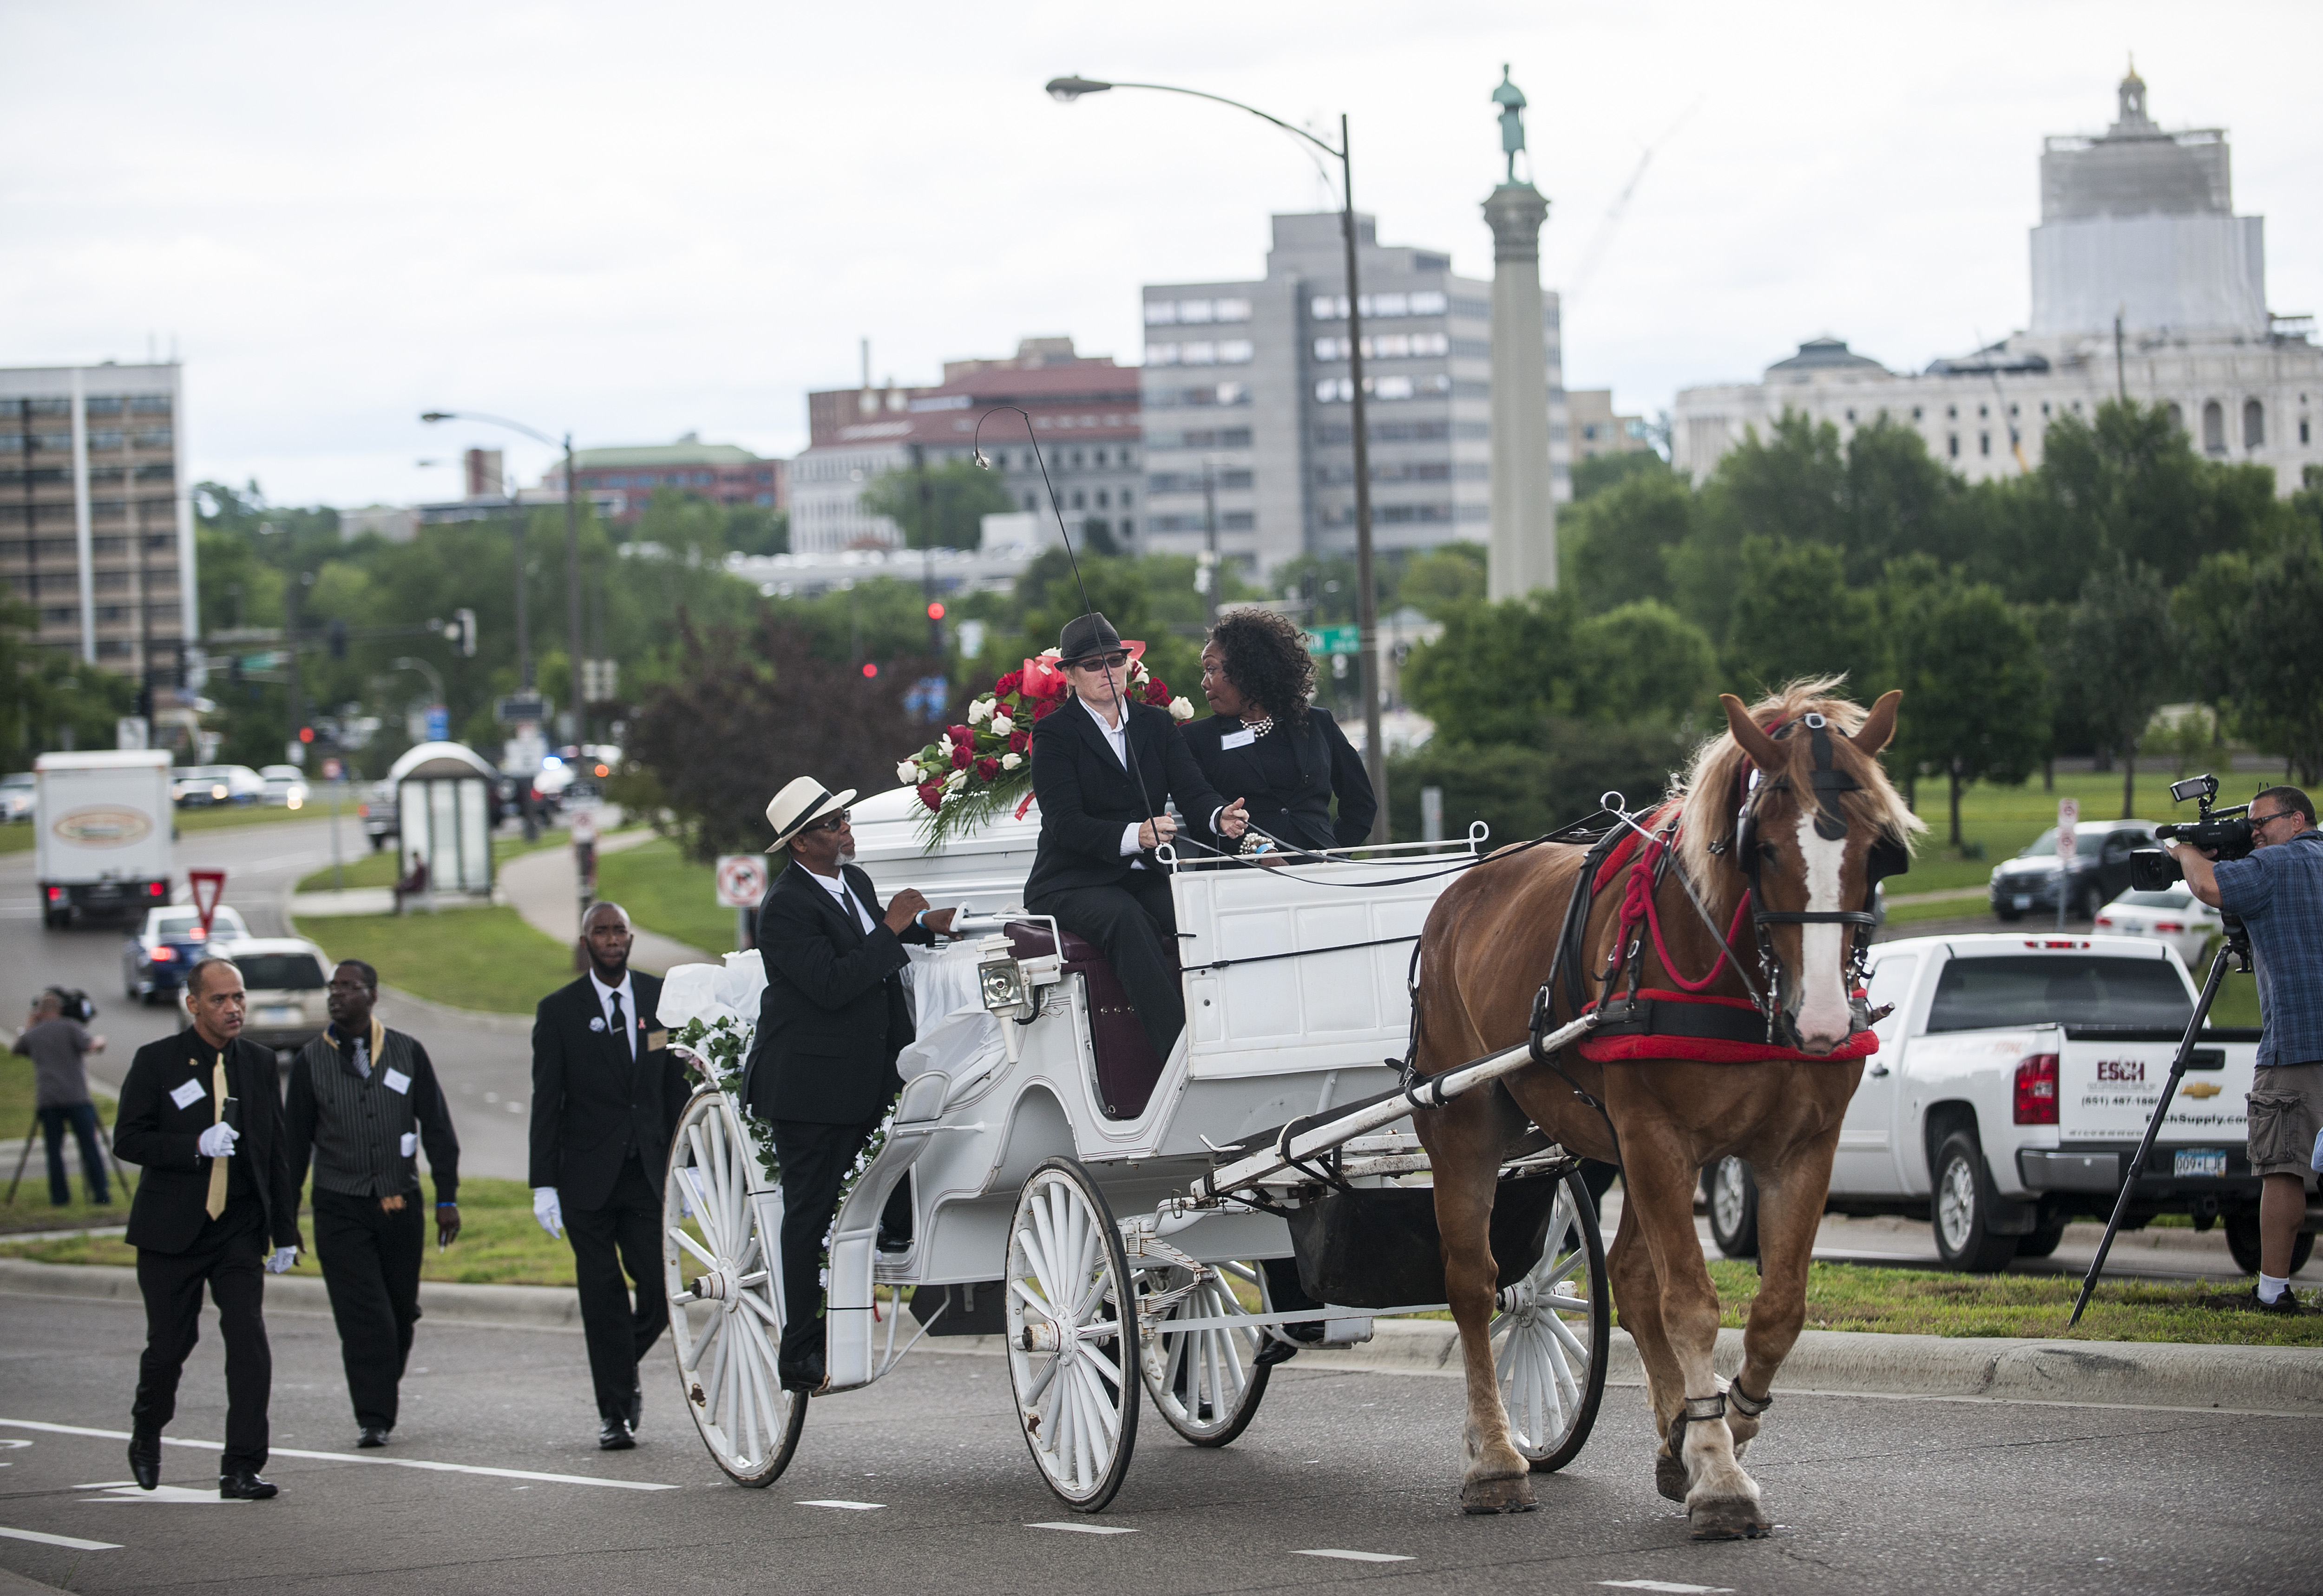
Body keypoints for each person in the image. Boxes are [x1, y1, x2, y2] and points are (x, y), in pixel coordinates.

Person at [743, 777, 957, 1393]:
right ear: (802, 843)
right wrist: (891, 930)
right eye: (834, 825)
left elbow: (877, 943)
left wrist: (928, 927)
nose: (846, 830)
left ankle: (895, 1233)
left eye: (843, 819)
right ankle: (799, 1350)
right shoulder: (783, 907)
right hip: (808, 1083)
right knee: (808, 1213)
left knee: (906, 1150)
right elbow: (834, 983)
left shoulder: (854, 883)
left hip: (872, 1070)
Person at [111, 955, 301, 1500]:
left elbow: (276, 1154)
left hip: (238, 1227)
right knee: (170, 1346)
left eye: (238, 996)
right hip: (172, 1232)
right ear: (192, 1004)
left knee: (249, 1344)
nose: (233, 1007)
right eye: (220, 999)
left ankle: (241, 1466)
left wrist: (285, 1231)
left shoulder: (260, 1063)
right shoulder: (157, 1062)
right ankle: (147, 1430)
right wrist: (193, 1145)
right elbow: (128, 1139)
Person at [1022, 613, 1249, 1066]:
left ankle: (1239, 1033)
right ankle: (1183, 1059)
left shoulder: (1155, 725)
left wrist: (1217, 814)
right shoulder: (1053, 735)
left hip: (1142, 875)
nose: (1108, 672)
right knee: (1127, 921)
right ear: (1067, 674)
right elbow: (1064, 823)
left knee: (1199, 912)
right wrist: (1135, 835)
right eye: (1093, 665)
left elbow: (1191, 789)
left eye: (1115, 661)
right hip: (1072, 881)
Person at [528, 902, 691, 1449]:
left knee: (657, 1292)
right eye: (601, 931)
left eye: (618, 929)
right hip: (585, 1180)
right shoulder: (559, 1011)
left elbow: (674, 1090)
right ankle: (615, 1413)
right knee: (601, 1297)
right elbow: (545, 1102)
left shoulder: (657, 998)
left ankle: (620, 1368)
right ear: (586, 941)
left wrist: (684, 1168)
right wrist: (542, 1183)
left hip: (645, 1174)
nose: (611, 939)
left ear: (630, 936)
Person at [284, 959, 462, 1448]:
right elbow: (294, 1146)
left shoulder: (407, 1052)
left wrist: (447, 1196)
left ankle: (379, 1391)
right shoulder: (309, 1061)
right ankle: (373, 1416)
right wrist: (285, 1215)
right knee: (365, 1316)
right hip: (339, 1204)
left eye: (349, 987)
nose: (337, 994)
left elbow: (439, 1129)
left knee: (399, 1314)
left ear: (372, 995)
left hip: (400, 1203)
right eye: (333, 987)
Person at [2172, 785, 2323, 1314]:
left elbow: (2209, 887)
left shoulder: (2275, 867)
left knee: (2282, 1167)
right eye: (2249, 823)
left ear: (2298, 819)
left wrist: (2184, 849)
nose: (2253, 832)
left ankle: (2272, 1289)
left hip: (2297, 1044)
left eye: (2262, 821)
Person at [1179, 608, 1377, 855]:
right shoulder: (1197, 738)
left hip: (1318, 877)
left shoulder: (1318, 723)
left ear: (1246, 670)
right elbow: (1198, 809)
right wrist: (1257, 851)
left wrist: (1332, 855)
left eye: (1211, 670)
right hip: (1238, 876)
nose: (1204, 683)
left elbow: (1361, 804)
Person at [14, 988, 111, 1206]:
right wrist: (100, 1041)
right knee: (89, 1147)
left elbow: (18, 1048)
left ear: (39, 1012)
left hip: (49, 1100)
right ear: (60, 1010)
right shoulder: (70, 1027)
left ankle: (60, 1197)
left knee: (54, 1151)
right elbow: (91, 1046)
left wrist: (31, 1022)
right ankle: (100, 1194)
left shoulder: (35, 1033)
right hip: (77, 1097)